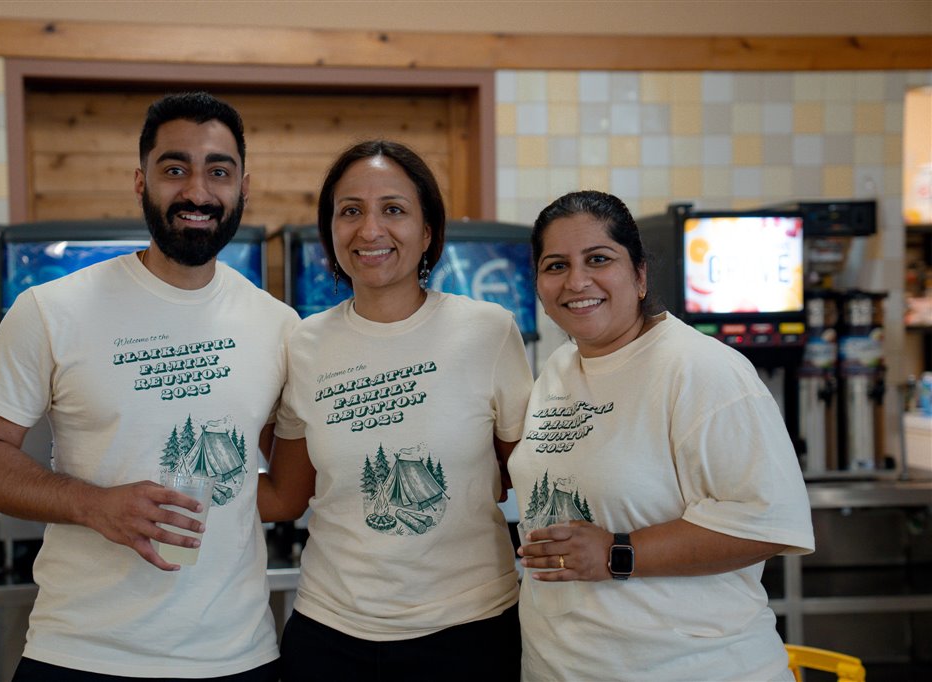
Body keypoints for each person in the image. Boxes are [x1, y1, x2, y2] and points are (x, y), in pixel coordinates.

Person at [0, 91, 298, 681]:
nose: (198, 192)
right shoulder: (50, 309)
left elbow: (284, 493)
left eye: (219, 172)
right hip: (81, 653)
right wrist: (93, 504)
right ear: (141, 181)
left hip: (236, 656)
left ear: (243, 187)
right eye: (174, 169)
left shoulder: (278, 325)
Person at [507, 190, 815, 681]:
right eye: (556, 265)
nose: (576, 281)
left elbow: (766, 523)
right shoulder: (559, 368)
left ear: (640, 274)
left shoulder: (700, 369)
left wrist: (616, 552)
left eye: (598, 259)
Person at [257, 140, 533, 681]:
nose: (370, 229)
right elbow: (288, 495)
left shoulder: (488, 331)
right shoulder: (305, 344)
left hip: (470, 631)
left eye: (393, 209)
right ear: (330, 231)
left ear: (427, 231)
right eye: (350, 211)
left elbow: (523, 472)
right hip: (330, 634)